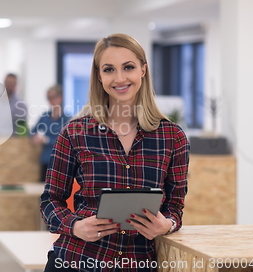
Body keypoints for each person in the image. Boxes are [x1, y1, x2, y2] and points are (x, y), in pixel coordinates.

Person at [40, 34, 190, 272]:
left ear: (143, 70)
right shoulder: (75, 133)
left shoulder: (172, 137)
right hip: (77, 260)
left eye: (128, 67)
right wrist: (75, 225)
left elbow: (175, 206)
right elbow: (49, 202)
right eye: (109, 69)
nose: (119, 78)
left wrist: (166, 225)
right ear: (99, 76)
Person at [31, 85, 71, 182]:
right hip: (45, 160)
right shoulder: (45, 116)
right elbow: (32, 131)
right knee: (42, 190)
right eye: (49, 98)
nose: (51, 101)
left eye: (53, 97)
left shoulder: (67, 119)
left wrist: (47, 140)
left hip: (60, 162)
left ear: (60, 97)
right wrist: (35, 137)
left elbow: (66, 141)